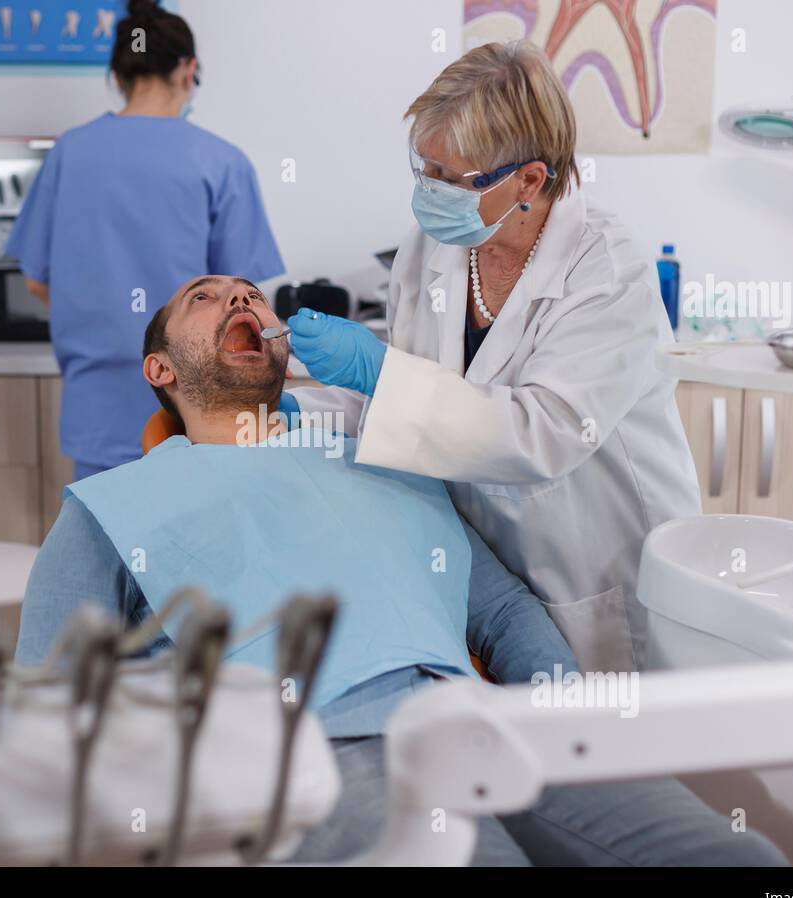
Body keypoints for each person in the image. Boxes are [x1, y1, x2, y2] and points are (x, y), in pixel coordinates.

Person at [16, 274, 786, 866]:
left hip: (480, 722)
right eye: (205, 298)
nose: (238, 297)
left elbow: (504, 613)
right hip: (313, 754)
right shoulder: (113, 506)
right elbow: (43, 709)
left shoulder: (382, 458)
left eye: (247, 291)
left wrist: (565, 718)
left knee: (746, 862)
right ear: (159, 367)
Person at [281, 41, 701, 674]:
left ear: (530, 179)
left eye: (453, 178)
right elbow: (408, 390)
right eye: (425, 169)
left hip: (597, 572)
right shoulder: (433, 247)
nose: (431, 191)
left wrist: (376, 370)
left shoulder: (607, 272)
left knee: (606, 752)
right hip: (491, 576)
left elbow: (544, 434)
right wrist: (303, 406)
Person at [6, 0, 283, 480]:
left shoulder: (70, 151)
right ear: (188, 70)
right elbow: (239, 302)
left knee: (103, 546)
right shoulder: (220, 161)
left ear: (117, 75)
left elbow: (38, 283)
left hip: (97, 408)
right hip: (193, 407)